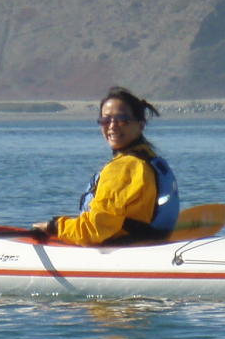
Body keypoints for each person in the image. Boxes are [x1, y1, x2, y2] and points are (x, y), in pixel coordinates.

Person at [32, 86, 180, 245]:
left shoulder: (125, 168)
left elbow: (93, 230)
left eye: (122, 119)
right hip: (148, 242)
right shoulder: (150, 159)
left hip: (123, 247)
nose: (112, 126)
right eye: (105, 120)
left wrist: (54, 227)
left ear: (140, 124)